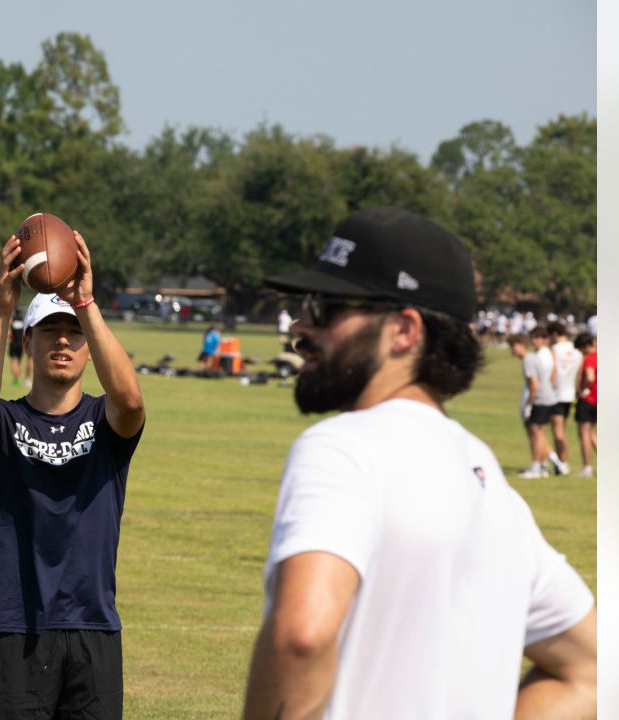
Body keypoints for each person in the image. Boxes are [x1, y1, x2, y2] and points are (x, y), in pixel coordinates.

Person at [244, 207, 595, 720]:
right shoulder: (490, 482)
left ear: (404, 331)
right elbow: (591, 668)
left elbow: (303, 635)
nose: (301, 326)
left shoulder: (343, 448)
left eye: (325, 306)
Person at [0, 230, 145, 720]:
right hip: (13, 627)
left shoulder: (107, 423)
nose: (63, 340)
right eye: (49, 330)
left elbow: (130, 402)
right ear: (29, 341)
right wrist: (3, 308)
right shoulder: (6, 424)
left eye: (74, 332)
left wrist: (85, 302)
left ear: (88, 346)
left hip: (93, 626)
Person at [515, 326, 559, 478]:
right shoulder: (536, 355)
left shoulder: (532, 358)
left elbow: (534, 383)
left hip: (541, 399)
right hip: (547, 397)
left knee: (536, 433)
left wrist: (529, 403)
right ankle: (542, 465)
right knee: (538, 432)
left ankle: (538, 467)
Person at [548, 322, 582, 475]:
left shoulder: (554, 350)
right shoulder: (577, 352)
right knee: (562, 431)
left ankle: (562, 463)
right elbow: (579, 376)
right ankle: (563, 462)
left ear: (555, 334)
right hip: (569, 394)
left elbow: (552, 372)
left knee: (558, 432)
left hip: (555, 394)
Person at [574, 332, 597, 476]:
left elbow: (590, 377)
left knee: (584, 433)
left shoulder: (589, 359)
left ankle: (587, 467)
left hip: (588, 400)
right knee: (592, 434)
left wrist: (584, 389)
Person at [7, 308, 31, 387]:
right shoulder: (23, 321)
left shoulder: (12, 321)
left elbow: (9, 332)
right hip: (21, 344)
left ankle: (16, 379)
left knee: (14, 361)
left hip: (13, 343)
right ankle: (20, 379)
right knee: (19, 362)